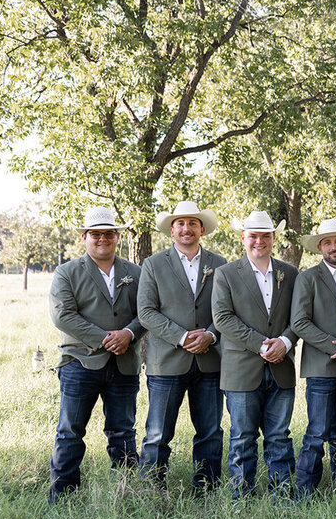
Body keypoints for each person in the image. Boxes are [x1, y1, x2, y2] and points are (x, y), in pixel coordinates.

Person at [47, 206, 144, 501]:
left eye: (108, 233)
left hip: (125, 364)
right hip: (80, 363)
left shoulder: (135, 272)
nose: (102, 239)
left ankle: (126, 493)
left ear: (117, 236)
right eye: (95, 234)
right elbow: (63, 316)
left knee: (123, 431)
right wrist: (105, 339)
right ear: (84, 237)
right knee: (71, 431)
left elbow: (147, 312)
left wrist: (128, 333)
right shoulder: (67, 272)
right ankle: (63, 496)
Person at [136, 201, 228, 493]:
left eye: (192, 223)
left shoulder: (220, 264)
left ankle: (207, 489)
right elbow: (146, 312)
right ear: (172, 230)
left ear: (202, 229)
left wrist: (211, 336)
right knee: (158, 432)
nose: (186, 229)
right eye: (180, 224)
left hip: (209, 360)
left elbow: (227, 310)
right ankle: (152, 488)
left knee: (211, 432)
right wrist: (182, 336)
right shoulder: (153, 264)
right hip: (166, 361)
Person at [211, 211, 299, 497]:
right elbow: (223, 318)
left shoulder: (290, 273)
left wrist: (285, 342)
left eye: (265, 236)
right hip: (241, 369)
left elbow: (298, 318)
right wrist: (263, 345)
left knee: (279, 437)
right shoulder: (226, 273)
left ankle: (282, 495)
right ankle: (240, 497)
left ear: (274, 238)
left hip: (282, 367)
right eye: (253, 236)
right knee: (242, 437)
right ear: (243, 239)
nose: (259, 241)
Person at [291, 218, 336, 497]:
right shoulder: (307, 278)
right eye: (327, 242)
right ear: (319, 247)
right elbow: (299, 322)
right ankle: (305, 493)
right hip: (322, 366)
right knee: (317, 432)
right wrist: (335, 348)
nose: (333, 247)